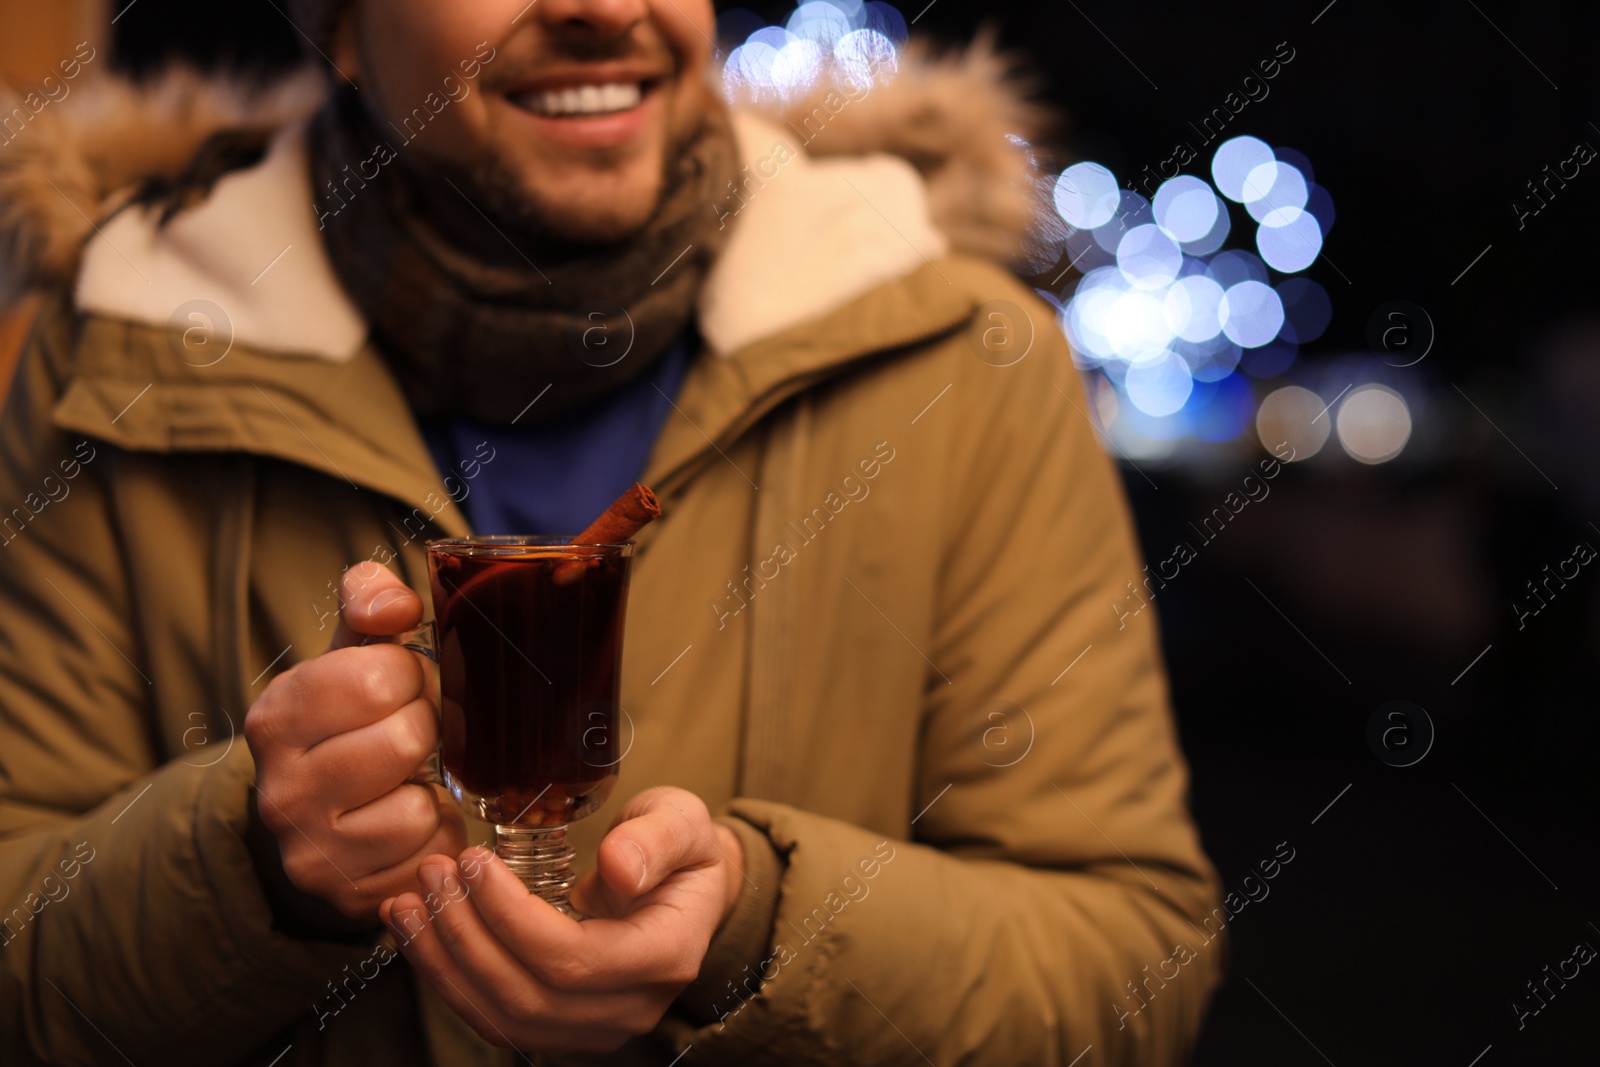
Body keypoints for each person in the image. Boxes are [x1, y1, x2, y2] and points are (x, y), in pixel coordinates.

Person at [0, 0, 1224, 1063]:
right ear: (340, 26)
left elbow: (1128, 977)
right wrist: (247, 862)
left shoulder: (965, 362)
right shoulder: (114, 360)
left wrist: (753, 929)